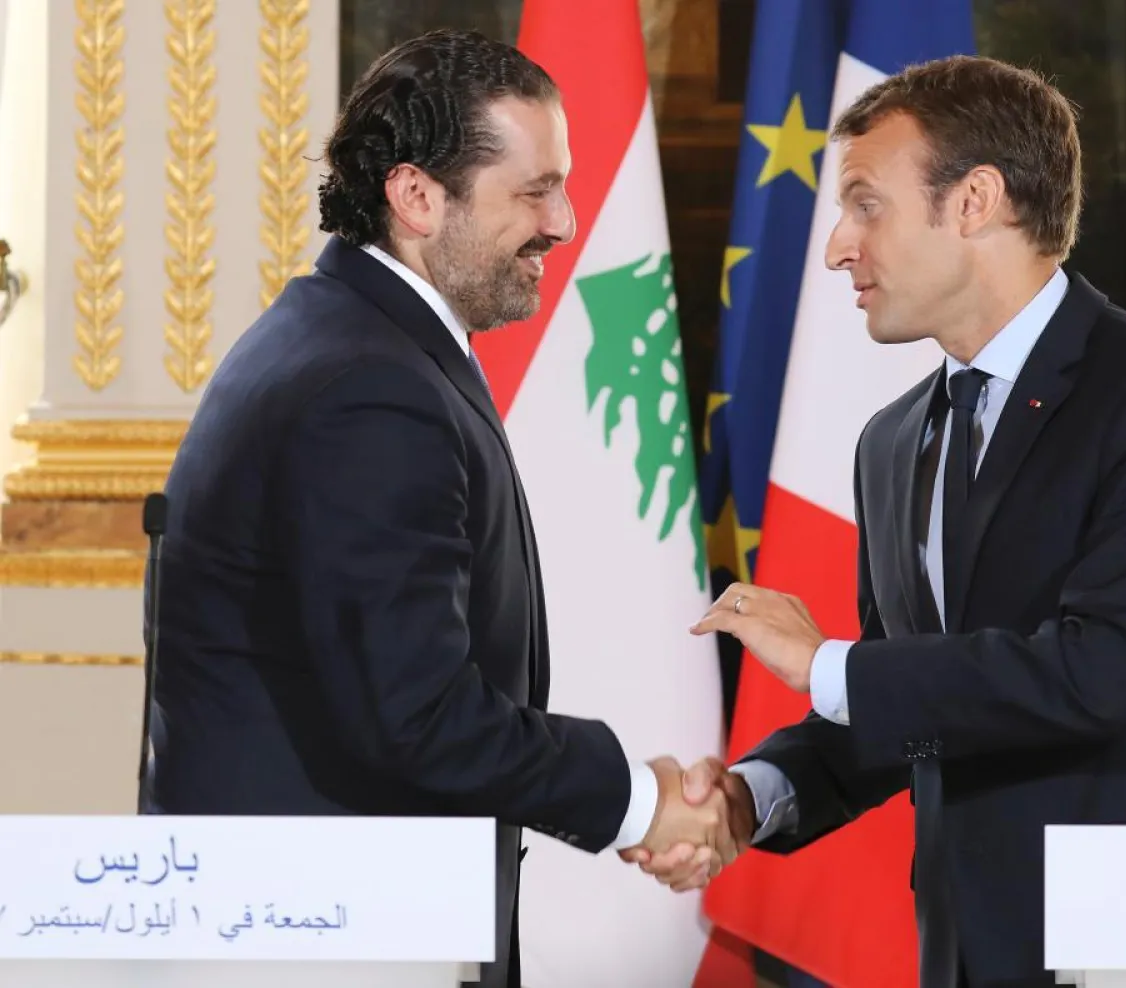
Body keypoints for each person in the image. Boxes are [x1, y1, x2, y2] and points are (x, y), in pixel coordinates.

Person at [630, 54, 1126, 988]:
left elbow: (1101, 673)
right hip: (968, 949)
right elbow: (910, 704)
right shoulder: (890, 444)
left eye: (865, 204)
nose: (837, 247)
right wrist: (752, 796)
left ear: (974, 201)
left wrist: (823, 665)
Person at [143, 30, 728, 988]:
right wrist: (634, 798)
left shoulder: (347, 339)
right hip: (318, 941)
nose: (566, 221)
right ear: (417, 197)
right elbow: (414, 715)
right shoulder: (367, 386)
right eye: (534, 189)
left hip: (330, 924)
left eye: (565, 185)